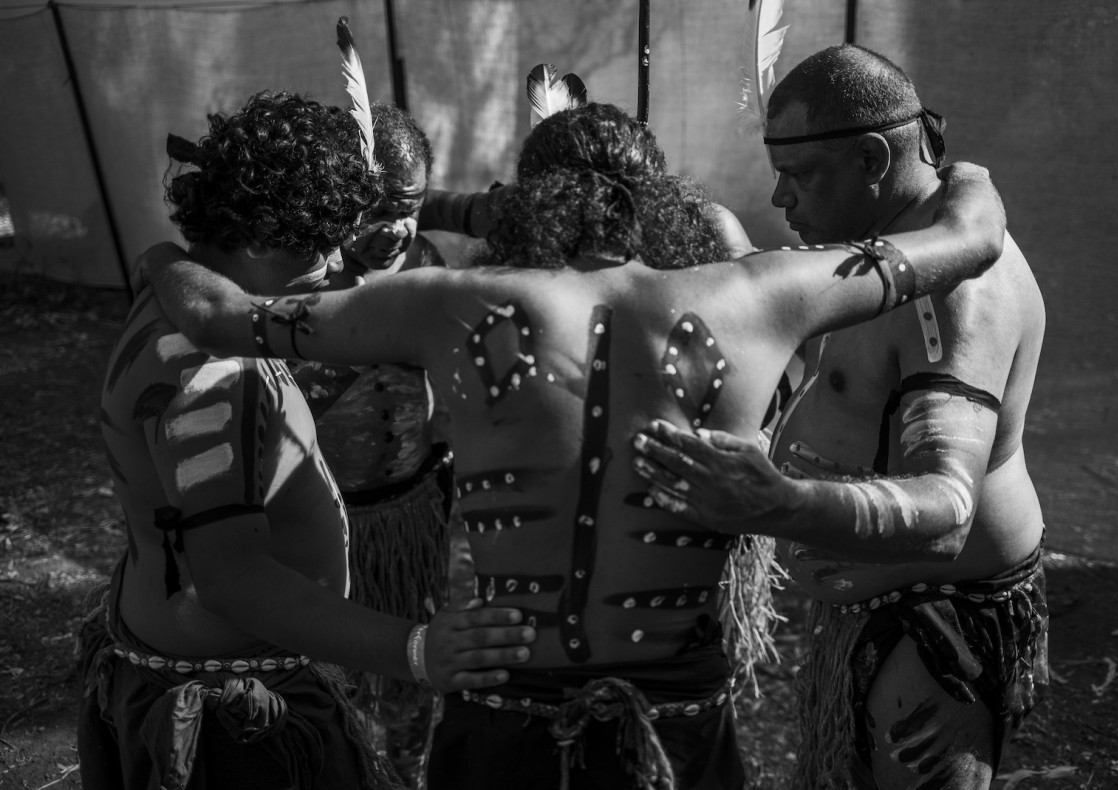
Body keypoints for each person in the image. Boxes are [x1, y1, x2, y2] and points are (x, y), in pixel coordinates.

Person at [135, 101, 1006, 790]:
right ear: (660, 195)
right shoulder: (765, 292)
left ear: (527, 200)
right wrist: (959, 165)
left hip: (499, 706)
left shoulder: (449, 302)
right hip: (676, 719)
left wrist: (160, 252)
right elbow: (969, 240)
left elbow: (216, 316)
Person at [79, 90, 533, 790]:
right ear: (260, 237)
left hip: (202, 670)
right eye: (320, 242)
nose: (332, 264)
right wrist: (414, 649)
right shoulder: (213, 374)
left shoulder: (174, 296)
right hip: (238, 722)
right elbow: (231, 578)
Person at [630, 45, 1048, 789]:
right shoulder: (891, 254)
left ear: (871, 159)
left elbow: (948, 506)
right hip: (878, 613)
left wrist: (776, 502)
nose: (783, 199)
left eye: (800, 177)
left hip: (935, 634)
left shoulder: (955, 293)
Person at [287, 102, 470, 785]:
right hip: (323, 524)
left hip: (415, 513)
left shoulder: (425, 260)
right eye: (377, 207)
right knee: (335, 675)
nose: (395, 225)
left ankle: (408, 773)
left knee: (413, 667)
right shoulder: (300, 280)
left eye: (411, 205)